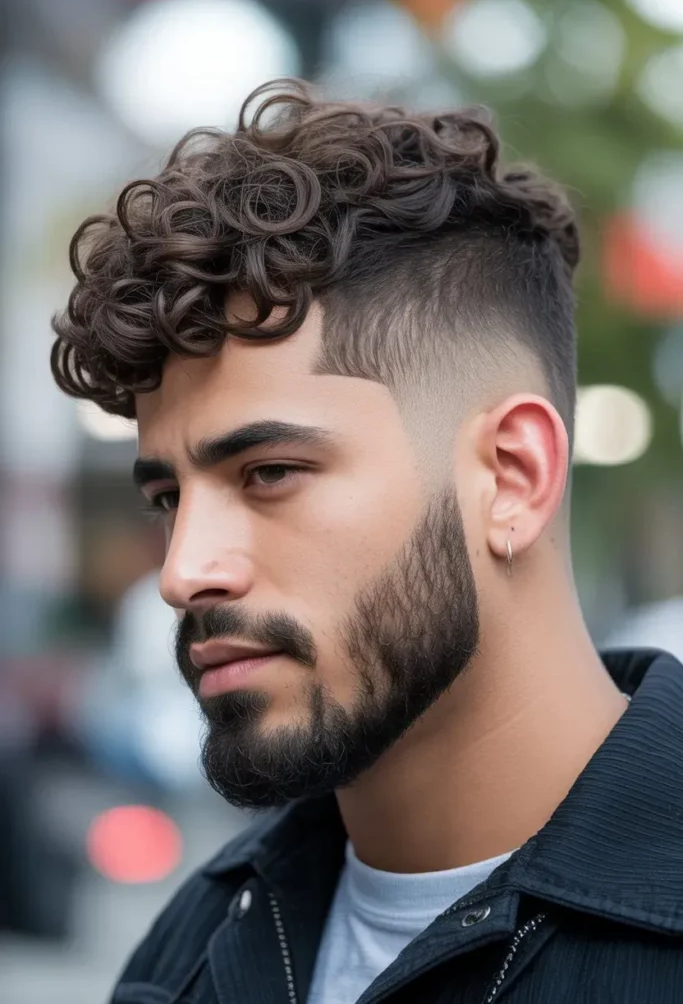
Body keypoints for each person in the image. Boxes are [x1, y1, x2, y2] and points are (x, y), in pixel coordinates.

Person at [51, 81, 683, 1004]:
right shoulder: (190, 949)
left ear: (511, 476)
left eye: (268, 472)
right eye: (166, 497)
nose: (184, 572)